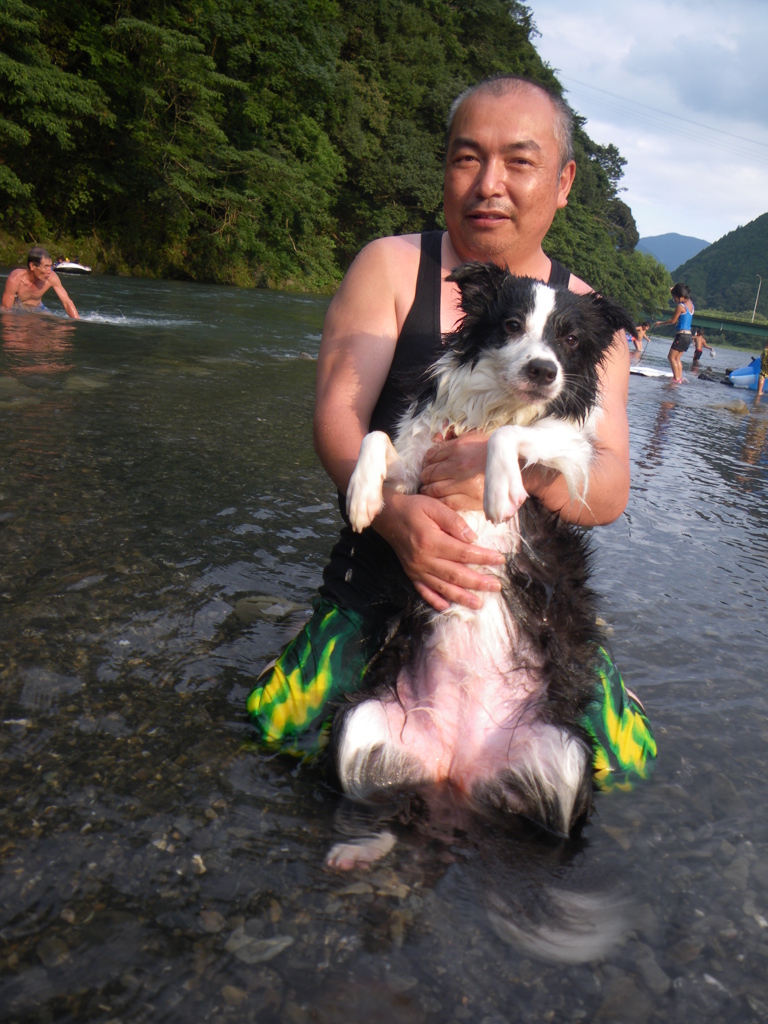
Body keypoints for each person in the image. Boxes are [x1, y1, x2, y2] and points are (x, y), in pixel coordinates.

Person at [247, 75, 656, 785]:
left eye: (518, 162)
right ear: (444, 169)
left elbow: (610, 488)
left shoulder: (590, 321)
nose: (488, 183)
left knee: (622, 770)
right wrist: (397, 520)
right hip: (383, 583)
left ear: (563, 182)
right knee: (278, 738)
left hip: (527, 608)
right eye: (466, 158)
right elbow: (338, 416)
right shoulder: (393, 265)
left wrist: (512, 465)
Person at [2, 247, 79, 318]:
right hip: (17, 310)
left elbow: (67, 302)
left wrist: (77, 322)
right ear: (32, 266)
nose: (49, 271)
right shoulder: (16, 278)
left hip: (38, 309)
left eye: (50, 266)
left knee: (58, 326)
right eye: (46, 266)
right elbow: (6, 309)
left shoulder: (51, 277)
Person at [652, 283, 693, 383]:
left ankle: (676, 379)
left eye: (674, 298)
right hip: (688, 336)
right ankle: (679, 378)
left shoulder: (680, 306)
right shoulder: (690, 304)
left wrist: (660, 323)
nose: (674, 300)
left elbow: (672, 321)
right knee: (677, 358)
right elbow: (682, 293)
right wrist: (674, 290)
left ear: (680, 297)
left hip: (681, 335)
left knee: (671, 357)